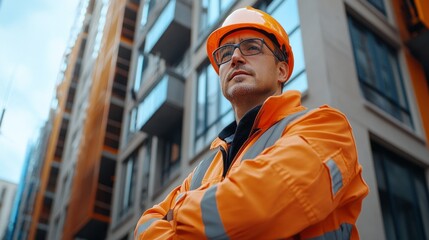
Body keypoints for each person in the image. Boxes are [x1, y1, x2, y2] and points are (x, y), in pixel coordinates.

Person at [135, 6, 368, 240]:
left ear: (282, 70)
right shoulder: (202, 171)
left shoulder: (326, 128)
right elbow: (144, 226)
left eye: (252, 47)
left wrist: (176, 214)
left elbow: (257, 211)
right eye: (225, 54)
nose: (235, 58)